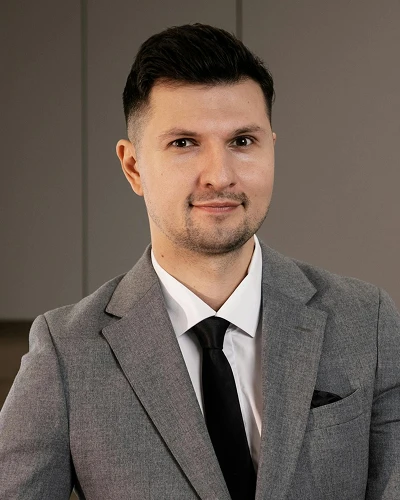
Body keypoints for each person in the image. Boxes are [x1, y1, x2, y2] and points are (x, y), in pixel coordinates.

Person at [0, 23, 399, 500]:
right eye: (184, 143)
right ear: (133, 167)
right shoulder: (66, 353)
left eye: (242, 141)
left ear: (271, 148)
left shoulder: (368, 322)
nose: (220, 175)